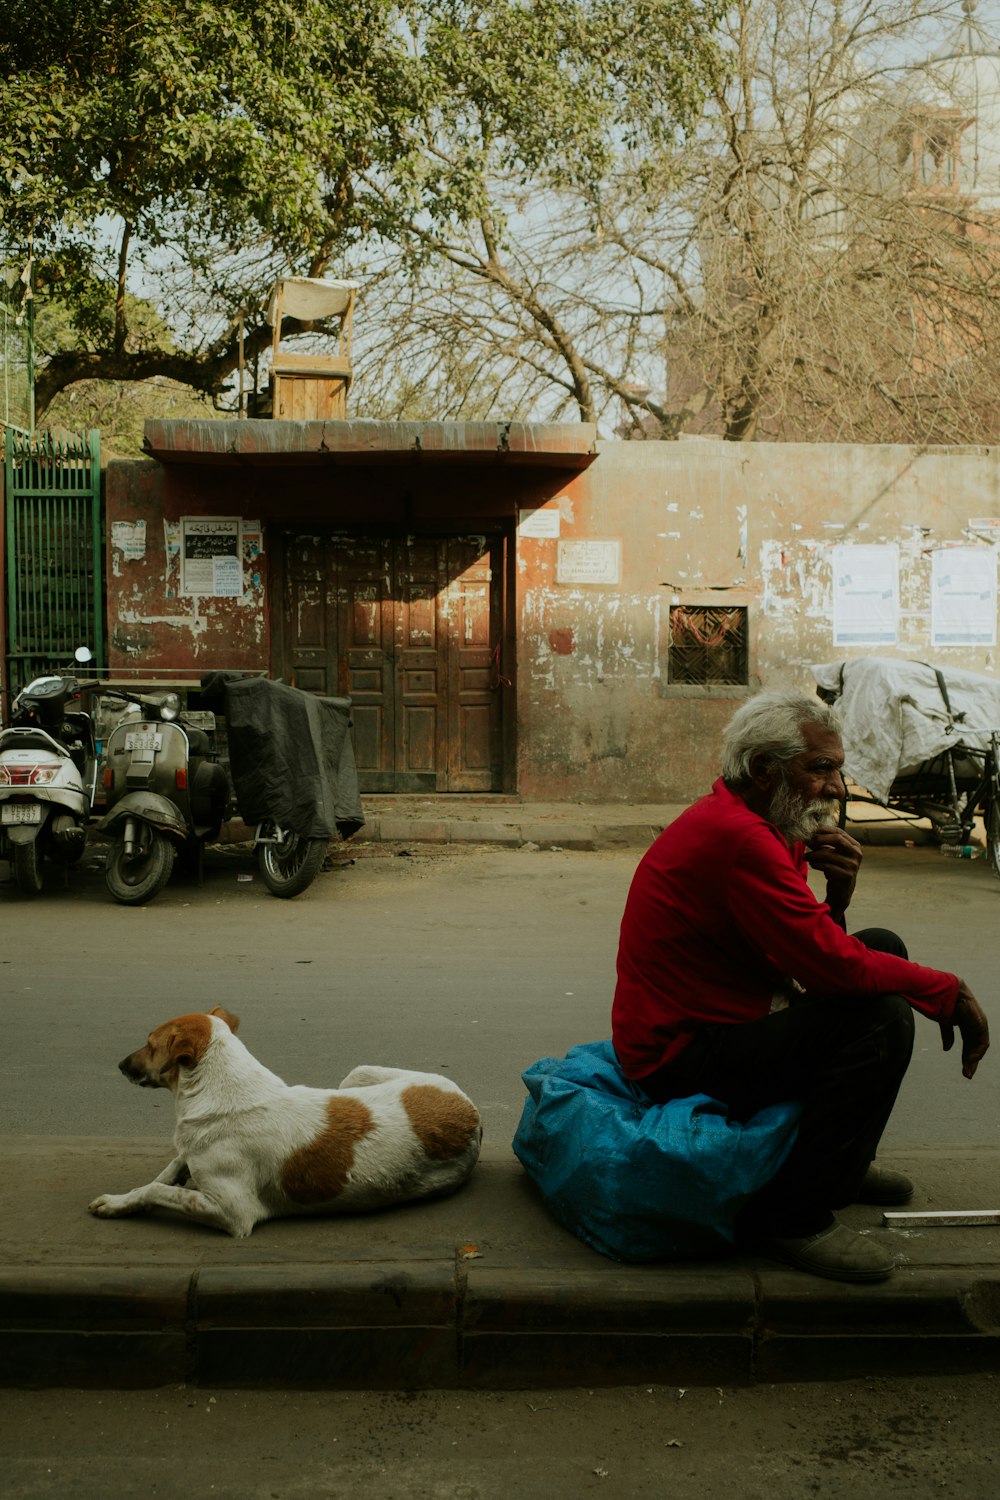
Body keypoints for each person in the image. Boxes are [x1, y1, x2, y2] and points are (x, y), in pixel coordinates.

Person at [611, 689, 990, 1283]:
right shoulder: (742, 838)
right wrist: (947, 990)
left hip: (730, 1020)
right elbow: (830, 970)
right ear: (764, 769)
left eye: (837, 770)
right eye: (821, 770)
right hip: (677, 1055)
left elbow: (799, 955)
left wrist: (836, 901)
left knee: (883, 945)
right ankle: (791, 1216)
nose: (838, 789)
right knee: (882, 1016)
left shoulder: (767, 825)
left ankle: (840, 1162)